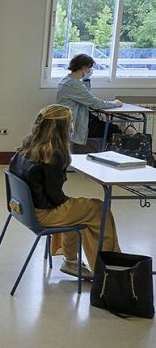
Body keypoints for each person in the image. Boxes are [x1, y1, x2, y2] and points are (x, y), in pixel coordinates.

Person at [9, 104, 120, 278]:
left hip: (23, 209)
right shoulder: (53, 154)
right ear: (62, 127)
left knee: (80, 209)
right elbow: (56, 199)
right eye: (70, 122)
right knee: (99, 210)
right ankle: (109, 271)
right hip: (43, 214)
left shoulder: (28, 146)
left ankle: (71, 261)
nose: (72, 127)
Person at [57, 54, 122, 153]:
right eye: (89, 68)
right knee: (114, 131)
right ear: (84, 68)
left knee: (109, 128)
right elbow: (94, 103)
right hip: (73, 123)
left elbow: (86, 96)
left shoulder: (68, 80)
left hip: (70, 120)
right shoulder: (73, 84)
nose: (90, 71)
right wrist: (114, 103)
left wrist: (86, 80)